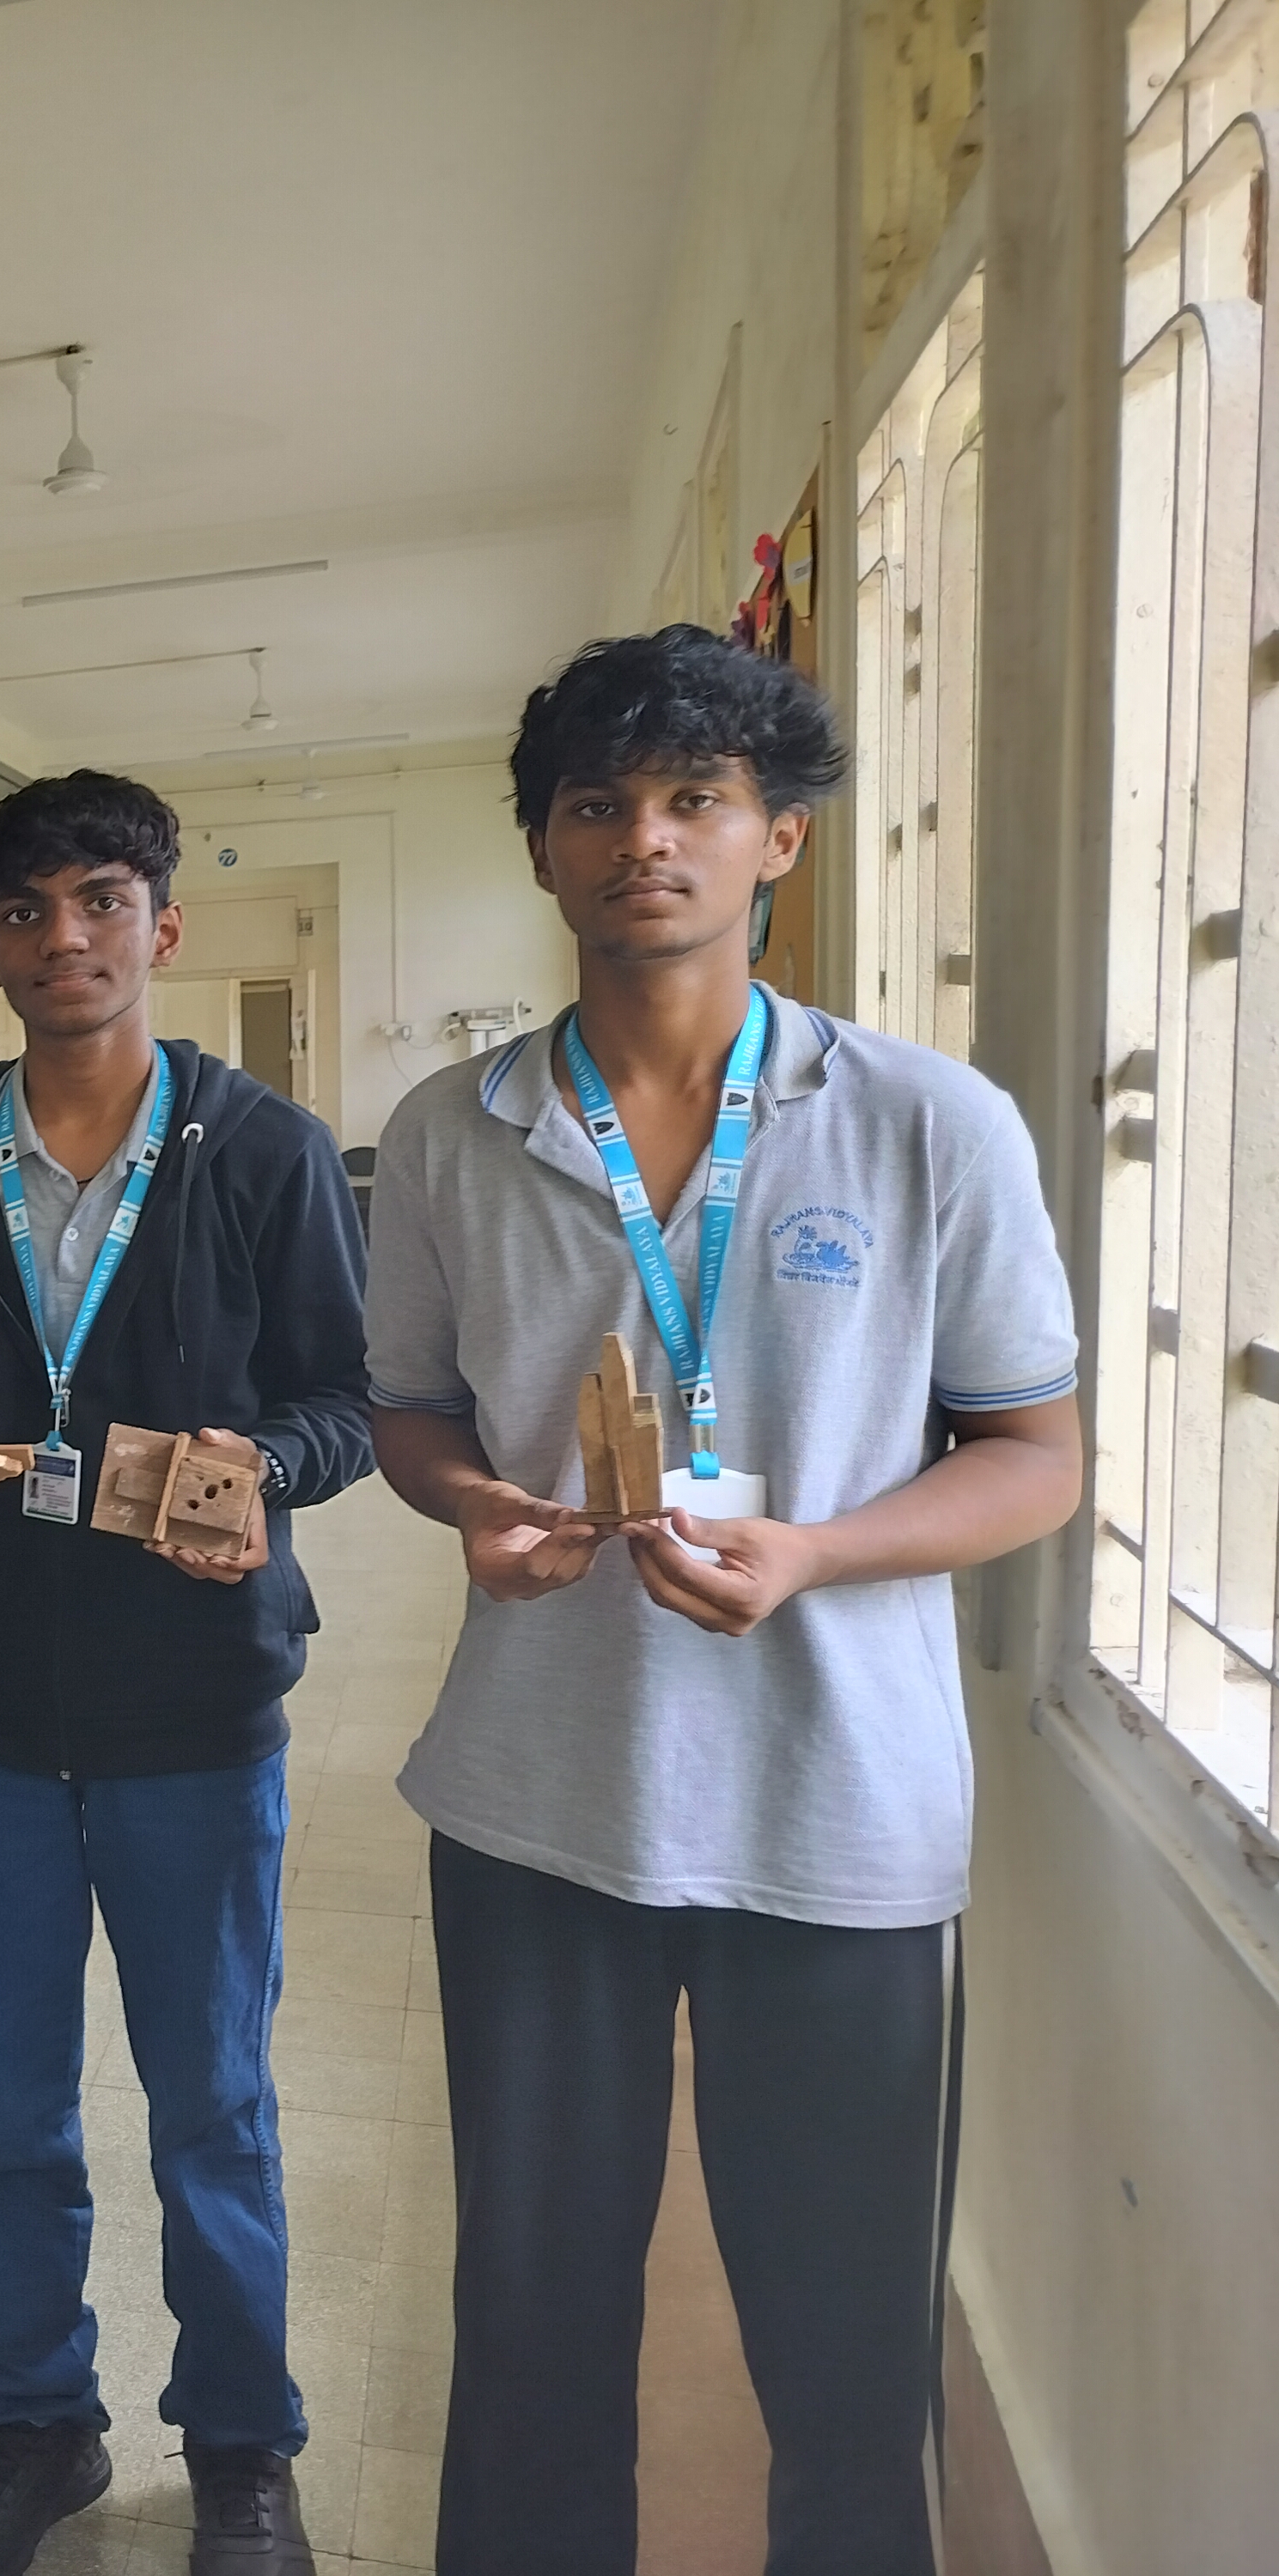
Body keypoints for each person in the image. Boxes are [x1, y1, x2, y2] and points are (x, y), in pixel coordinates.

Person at [364, 628, 1081, 2576]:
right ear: (539, 848)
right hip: (536, 1800)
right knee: (527, 2326)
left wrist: (816, 1554)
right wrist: (463, 1508)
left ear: (777, 840)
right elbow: (412, 1406)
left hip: (833, 1819)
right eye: (594, 804)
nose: (641, 841)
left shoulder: (928, 1123)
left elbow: (1033, 1452)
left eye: (692, 799)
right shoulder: (451, 1134)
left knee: (845, 2351)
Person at [0, 772, 369, 2576]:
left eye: (96, 901)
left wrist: (264, 1469)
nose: (61, 937)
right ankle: (36, 2426)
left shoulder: (261, 1151)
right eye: (22, 912)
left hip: (191, 1701)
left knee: (210, 2103)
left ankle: (238, 2454)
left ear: (159, 923)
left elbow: (344, 1401)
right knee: (6, 2107)